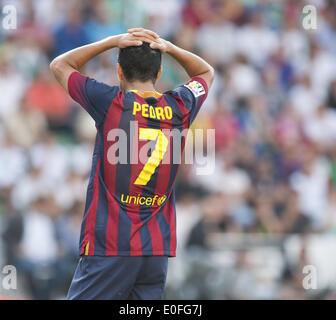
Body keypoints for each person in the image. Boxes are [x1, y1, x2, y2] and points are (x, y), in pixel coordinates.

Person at [50, 28, 214, 300]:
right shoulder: (181, 105)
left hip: (111, 245)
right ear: (159, 74)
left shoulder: (111, 103)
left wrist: (111, 41)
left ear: (119, 71)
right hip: (155, 251)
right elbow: (206, 73)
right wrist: (170, 48)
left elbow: (60, 65)